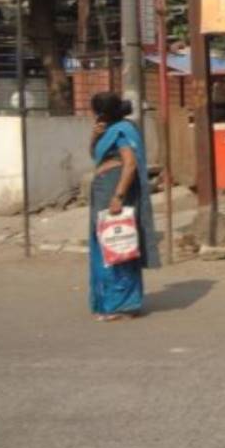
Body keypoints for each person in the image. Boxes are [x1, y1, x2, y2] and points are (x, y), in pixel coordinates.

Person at [88, 92, 159, 321]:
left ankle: (120, 303)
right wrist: (94, 136)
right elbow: (95, 156)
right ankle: (117, 302)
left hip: (114, 189)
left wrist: (118, 196)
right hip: (103, 189)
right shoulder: (108, 129)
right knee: (108, 243)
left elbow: (129, 164)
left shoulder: (122, 130)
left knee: (117, 244)